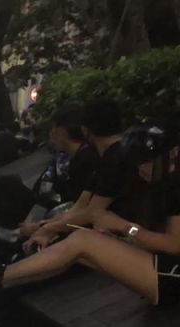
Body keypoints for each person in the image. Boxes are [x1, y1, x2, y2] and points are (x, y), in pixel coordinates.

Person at [0, 125, 180, 306]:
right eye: (138, 162)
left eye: (145, 161)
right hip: (165, 271)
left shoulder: (174, 184)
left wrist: (124, 227)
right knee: (80, 249)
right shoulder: (161, 183)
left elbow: (174, 245)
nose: (141, 169)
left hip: (171, 277)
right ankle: (1, 283)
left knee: (84, 241)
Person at [22, 99, 133, 252]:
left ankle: (0, 275)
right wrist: (46, 228)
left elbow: (90, 212)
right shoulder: (108, 155)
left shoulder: (111, 159)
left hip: (121, 237)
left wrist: (45, 228)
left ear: (85, 129)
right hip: (119, 232)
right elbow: (81, 206)